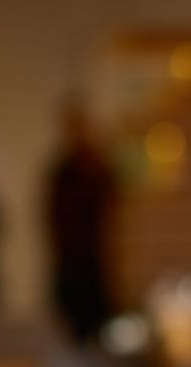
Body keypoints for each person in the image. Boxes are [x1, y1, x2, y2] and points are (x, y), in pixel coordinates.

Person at [45, 102, 114, 344]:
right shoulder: (62, 172)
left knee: (99, 328)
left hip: (95, 260)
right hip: (71, 263)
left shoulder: (97, 168)